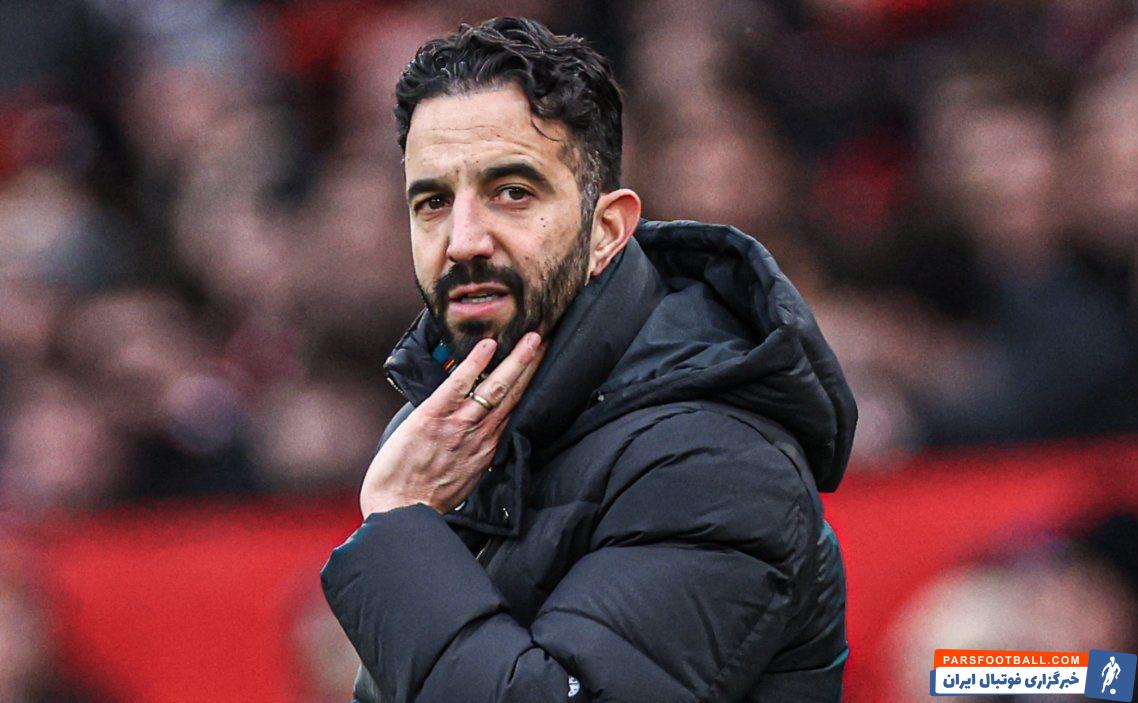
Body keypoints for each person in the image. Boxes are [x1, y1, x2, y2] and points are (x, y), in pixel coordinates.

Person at [320, 17, 857, 703]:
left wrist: (400, 522)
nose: (463, 240)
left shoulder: (714, 461)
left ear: (607, 231)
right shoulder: (441, 437)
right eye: (432, 202)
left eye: (512, 192)